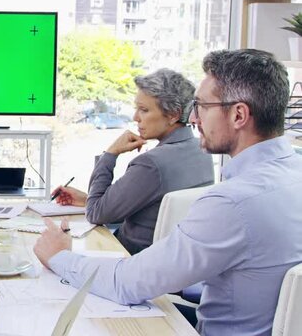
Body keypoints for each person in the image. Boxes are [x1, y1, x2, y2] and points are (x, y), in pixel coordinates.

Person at [34, 49, 302, 336]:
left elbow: (126, 283)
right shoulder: (293, 173)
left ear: (238, 114)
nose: (194, 118)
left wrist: (59, 256)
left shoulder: (232, 202)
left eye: (201, 106)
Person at [52, 68, 214, 254]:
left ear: (173, 115)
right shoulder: (202, 151)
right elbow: (155, 213)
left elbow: (95, 214)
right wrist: (89, 200)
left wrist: (110, 154)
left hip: (130, 259)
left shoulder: (151, 164)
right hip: (171, 259)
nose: (135, 117)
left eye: (144, 110)